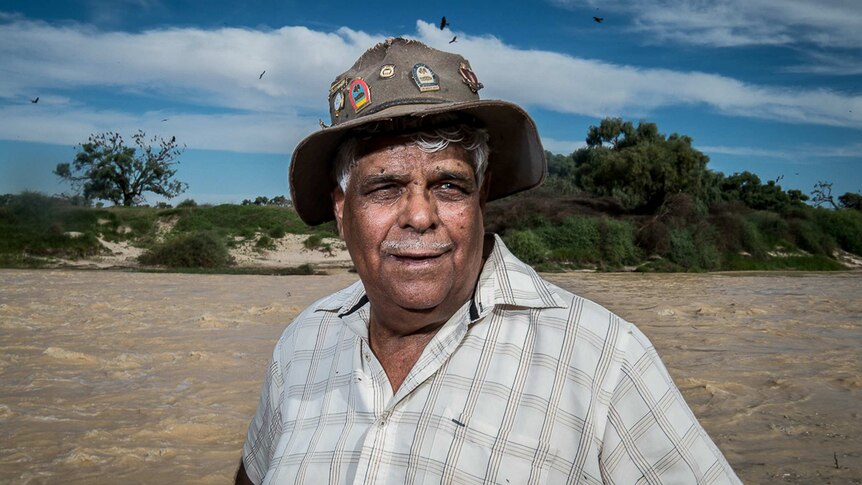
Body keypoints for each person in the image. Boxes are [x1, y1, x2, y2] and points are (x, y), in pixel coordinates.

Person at [236, 38, 740, 484]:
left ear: (481, 199)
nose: (419, 216)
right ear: (343, 210)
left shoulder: (603, 358)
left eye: (448, 186)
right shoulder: (303, 341)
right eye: (385, 187)